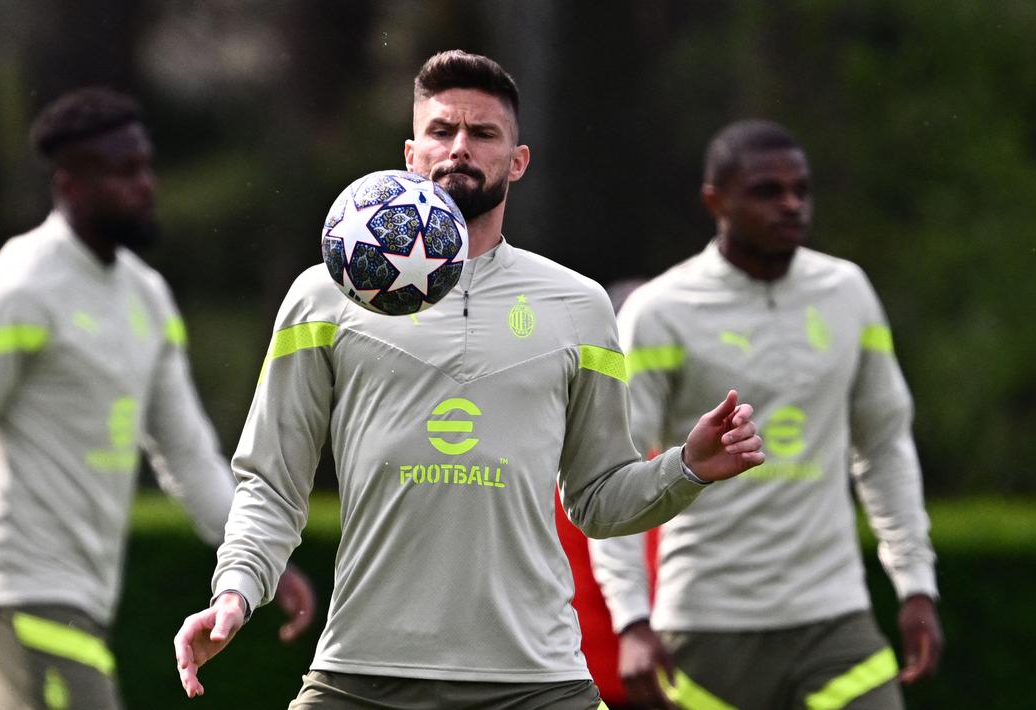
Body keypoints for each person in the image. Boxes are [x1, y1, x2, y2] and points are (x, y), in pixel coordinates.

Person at [173, 50, 764, 709]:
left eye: (483, 133)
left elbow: (595, 500)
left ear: (517, 162)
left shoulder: (578, 305)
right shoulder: (325, 295)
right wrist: (234, 592)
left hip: (536, 680)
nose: (459, 147)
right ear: (410, 153)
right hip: (364, 674)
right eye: (441, 131)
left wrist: (688, 467)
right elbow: (273, 483)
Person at [0, 87, 315, 710]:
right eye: (125, 171)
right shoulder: (13, 291)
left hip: (80, 591)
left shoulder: (147, 299)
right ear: (70, 183)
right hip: (15, 581)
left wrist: (258, 562)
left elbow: (188, 457)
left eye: (146, 165)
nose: (147, 184)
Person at [589, 119, 944, 709]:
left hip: (835, 618)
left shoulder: (848, 292)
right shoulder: (659, 311)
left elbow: (884, 446)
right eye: (767, 191)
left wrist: (916, 586)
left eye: (801, 189)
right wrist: (631, 620)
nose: (792, 205)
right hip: (706, 630)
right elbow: (611, 476)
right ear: (715, 200)